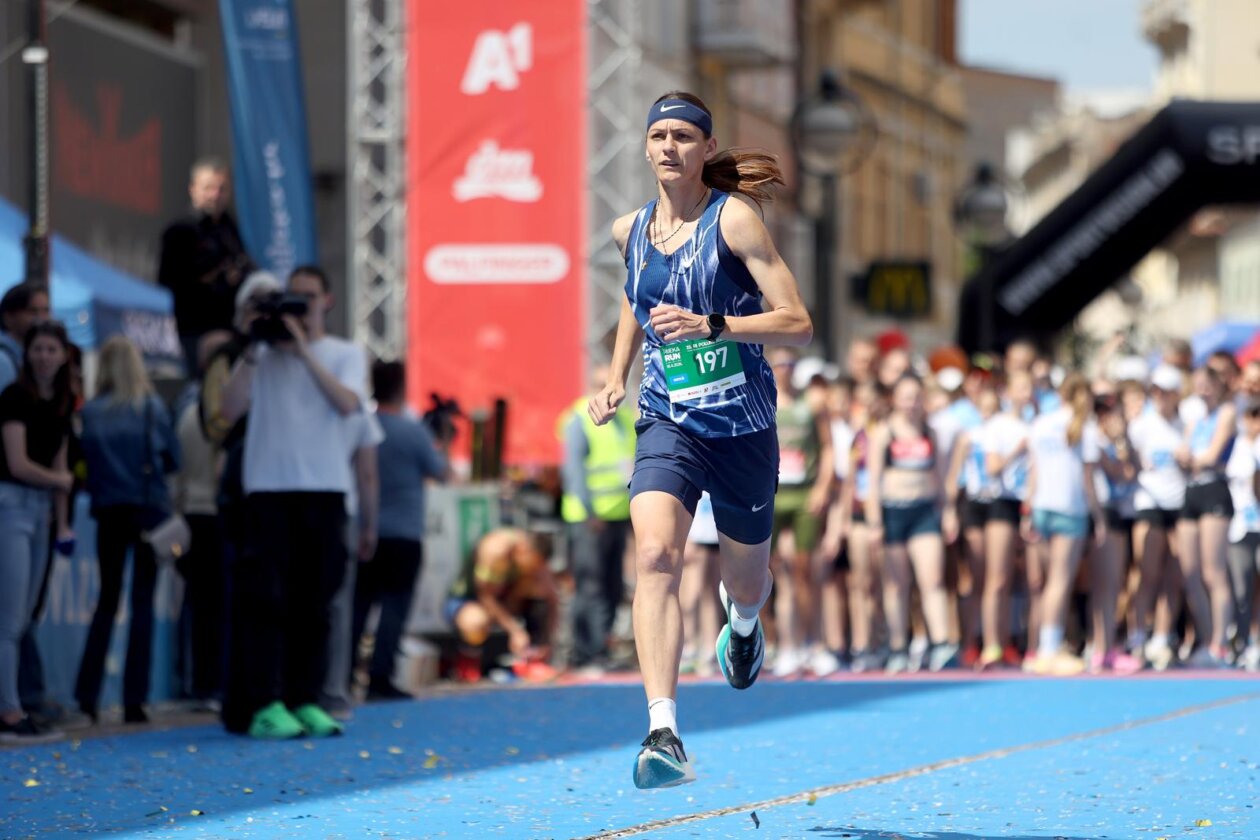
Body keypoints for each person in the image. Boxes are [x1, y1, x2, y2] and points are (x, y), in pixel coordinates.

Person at [587, 91, 811, 789]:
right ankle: (664, 731)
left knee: (743, 579)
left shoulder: (734, 222)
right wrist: (616, 374)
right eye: (658, 135)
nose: (669, 147)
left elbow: (797, 321)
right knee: (654, 553)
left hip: (741, 426)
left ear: (705, 149)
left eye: (683, 136)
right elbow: (635, 298)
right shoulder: (629, 230)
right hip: (668, 418)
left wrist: (716, 325)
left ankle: (743, 623)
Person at [219, 264, 367, 739]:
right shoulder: (259, 357)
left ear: (326, 301)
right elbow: (225, 409)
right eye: (291, 298)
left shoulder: (344, 353)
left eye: (306, 298)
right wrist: (257, 347)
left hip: (325, 491)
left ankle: (306, 699)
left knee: (316, 605)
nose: (297, 308)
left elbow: (348, 404)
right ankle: (265, 702)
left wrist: (303, 351)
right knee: (266, 603)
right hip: (267, 491)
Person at [75, 336, 181, 724]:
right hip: (147, 510)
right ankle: (134, 699)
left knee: (106, 601)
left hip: (109, 512)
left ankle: (87, 696)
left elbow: (83, 463)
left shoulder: (92, 412)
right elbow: (172, 458)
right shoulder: (150, 407)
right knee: (142, 604)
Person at [351, 361, 450, 699]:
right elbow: (441, 472)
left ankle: (345, 675)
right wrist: (443, 439)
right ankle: (381, 677)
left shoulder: (363, 425)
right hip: (405, 534)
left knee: (358, 607)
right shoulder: (412, 432)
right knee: (394, 609)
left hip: (367, 528)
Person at [0, 322, 74, 743]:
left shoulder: (61, 402)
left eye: (51, 349)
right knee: (9, 620)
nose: (44, 356)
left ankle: (15, 704)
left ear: (63, 355)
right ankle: (9, 711)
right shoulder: (14, 397)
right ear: (28, 355)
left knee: (24, 616)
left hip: (42, 510)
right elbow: (17, 463)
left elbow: (62, 469)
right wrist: (59, 482)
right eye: (38, 349)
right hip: (11, 505)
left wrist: (63, 523)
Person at [866, 375, 957, 673]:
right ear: (895, 399)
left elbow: (941, 477)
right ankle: (897, 647)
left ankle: (942, 643)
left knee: (932, 580)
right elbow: (874, 481)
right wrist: (875, 522)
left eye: (916, 397)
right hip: (893, 512)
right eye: (906, 397)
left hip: (924, 511)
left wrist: (949, 511)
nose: (912, 404)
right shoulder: (884, 432)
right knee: (897, 585)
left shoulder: (930, 431)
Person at [1022, 374, 1103, 675]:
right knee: (1059, 581)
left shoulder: (1042, 422)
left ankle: (1042, 645)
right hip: (1069, 507)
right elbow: (1087, 478)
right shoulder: (1084, 425)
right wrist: (1098, 516)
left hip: (1042, 505)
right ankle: (1048, 647)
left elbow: (1033, 470)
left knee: (1045, 583)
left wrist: (1027, 510)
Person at [558, 363, 636, 670]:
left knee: (613, 585)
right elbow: (574, 471)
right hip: (589, 519)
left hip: (617, 517)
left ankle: (602, 646)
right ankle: (587, 651)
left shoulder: (625, 420)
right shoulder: (579, 418)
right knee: (590, 585)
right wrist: (590, 512)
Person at [767, 348, 836, 678]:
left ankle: (813, 644)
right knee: (769, 574)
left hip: (804, 495)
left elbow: (828, 447)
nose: (784, 370)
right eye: (779, 364)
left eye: (789, 365)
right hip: (774, 496)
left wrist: (823, 487)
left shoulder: (812, 405)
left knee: (806, 571)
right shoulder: (764, 400)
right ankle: (779, 646)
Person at [158, 157, 254, 377]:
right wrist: (216, 280)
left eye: (222, 189)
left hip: (231, 327)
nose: (215, 195)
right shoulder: (181, 231)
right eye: (209, 188)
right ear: (193, 190)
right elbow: (171, 281)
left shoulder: (231, 230)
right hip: (197, 331)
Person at [1127, 365, 1188, 670]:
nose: (1160, 397)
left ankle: (1162, 638)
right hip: (1149, 500)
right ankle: (1137, 637)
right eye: (1156, 391)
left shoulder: (1185, 422)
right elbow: (1129, 460)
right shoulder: (1142, 424)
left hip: (1178, 502)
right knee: (1146, 572)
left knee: (1173, 577)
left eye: (1166, 392)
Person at [1175, 366, 1236, 666]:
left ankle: (1220, 642)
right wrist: (1187, 458)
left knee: (1214, 571)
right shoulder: (1196, 418)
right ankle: (1206, 636)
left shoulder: (1226, 413)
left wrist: (1192, 459)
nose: (1202, 390)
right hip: (1192, 490)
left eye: (1206, 385)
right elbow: (1183, 454)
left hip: (1214, 490)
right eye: (1197, 385)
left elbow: (1211, 456)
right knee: (1191, 572)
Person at [446, 528, 559, 681]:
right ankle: (468, 656)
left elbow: (552, 600)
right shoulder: (495, 549)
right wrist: (514, 630)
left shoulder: (534, 559)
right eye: (531, 564)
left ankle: (534, 657)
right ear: (524, 549)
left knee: (538, 588)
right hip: (471, 601)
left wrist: (547, 640)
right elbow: (486, 597)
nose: (532, 569)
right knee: (475, 620)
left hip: (505, 603)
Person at [1226, 400, 1260, 670]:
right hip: (1240, 527)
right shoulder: (1237, 446)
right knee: (1241, 588)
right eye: (1252, 416)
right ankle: (1242, 641)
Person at [0, 283, 50, 390]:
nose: (41, 318)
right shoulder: (3, 360)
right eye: (33, 311)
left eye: (46, 310)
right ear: (8, 317)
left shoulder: (23, 355)